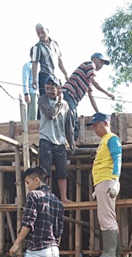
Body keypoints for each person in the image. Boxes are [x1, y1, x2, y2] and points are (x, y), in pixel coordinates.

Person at [8, 166, 64, 257]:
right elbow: (58, 231)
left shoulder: (34, 196)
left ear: (37, 180)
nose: (28, 187)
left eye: (28, 182)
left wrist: (16, 243)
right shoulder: (57, 201)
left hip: (38, 249)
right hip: (53, 250)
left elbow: (28, 223)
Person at [87, 112, 122, 257]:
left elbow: (117, 158)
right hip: (103, 182)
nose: (95, 129)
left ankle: (110, 254)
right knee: (107, 216)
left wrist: (115, 180)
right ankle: (115, 254)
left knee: (106, 217)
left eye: (96, 125)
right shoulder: (105, 140)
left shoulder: (112, 139)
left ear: (105, 123)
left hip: (107, 181)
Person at [62, 53, 115, 145]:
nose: (102, 64)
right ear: (94, 59)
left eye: (103, 63)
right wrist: (107, 93)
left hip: (72, 99)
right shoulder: (90, 64)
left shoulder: (88, 80)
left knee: (75, 124)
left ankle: (71, 145)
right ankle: (66, 143)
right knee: (70, 120)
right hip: (68, 94)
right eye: (101, 61)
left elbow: (91, 97)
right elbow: (95, 82)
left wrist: (98, 113)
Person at [37, 75, 75, 204]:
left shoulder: (66, 105)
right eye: (47, 88)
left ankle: (63, 198)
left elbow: (68, 126)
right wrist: (59, 102)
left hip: (60, 142)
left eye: (51, 89)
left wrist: (72, 143)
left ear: (58, 89)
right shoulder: (42, 100)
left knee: (62, 172)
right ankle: (45, 196)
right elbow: (50, 115)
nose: (48, 91)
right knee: (45, 170)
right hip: (46, 140)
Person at [31, 23, 69, 104]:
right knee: (45, 101)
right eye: (38, 33)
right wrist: (34, 79)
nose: (41, 35)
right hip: (45, 75)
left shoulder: (55, 43)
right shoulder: (36, 47)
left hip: (55, 76)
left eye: (42, 32)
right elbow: (34, 63)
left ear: (47, 31)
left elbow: (59, 60)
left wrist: (65, 74)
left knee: (59, 99)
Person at [21, 48, 38, 121]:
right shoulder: (27, 65)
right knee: (32, 114)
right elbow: (25, 80)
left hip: (40, 92)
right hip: (32, 92)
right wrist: (26, 93)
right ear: (30, 55)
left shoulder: (40, 66)